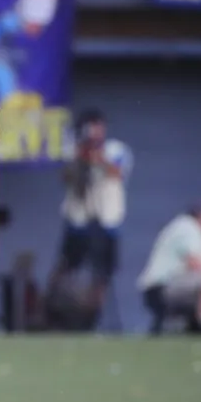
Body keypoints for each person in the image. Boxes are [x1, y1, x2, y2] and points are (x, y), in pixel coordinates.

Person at [47, 109, 132, 327]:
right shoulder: (74, 150)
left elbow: (117, 173)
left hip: (107, 222)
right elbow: (65, 177)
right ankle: (52, 312)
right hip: (78, 221)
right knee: (66, 267)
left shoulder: (116, 149)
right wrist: (80, 155)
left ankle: (93, 318)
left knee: (102, 274)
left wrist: (97, 155)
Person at [137, 198, 201, 331]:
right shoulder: (188, 227)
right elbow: (195, 265)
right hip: (161, 288)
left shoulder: (194, 231)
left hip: (170, 286)